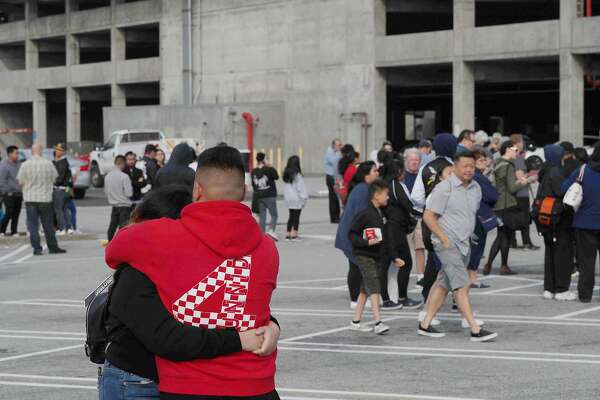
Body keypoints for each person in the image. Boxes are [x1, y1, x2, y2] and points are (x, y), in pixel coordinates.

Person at [106, 145, 279, 398]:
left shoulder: (160, 238)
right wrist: (273, 326)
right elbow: (250, 309)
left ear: (197, 190)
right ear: (243, 191)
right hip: (257, 385)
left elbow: (114, 250)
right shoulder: (268, 248)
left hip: (188, 385)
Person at [419, 152, 497, 342]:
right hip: (447, 243)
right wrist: (444, 238)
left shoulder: (476, 188)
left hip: (464, 243)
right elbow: (428, 216)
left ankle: (425, 323)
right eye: (465, 166)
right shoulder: (444, 188)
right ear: (455, 167)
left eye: (472, 166)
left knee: (443, 284)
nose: (469, 169)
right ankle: (474, 328)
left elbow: (471, 214)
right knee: (462, 285)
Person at [411, 133, 457, 305]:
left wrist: (429, 205)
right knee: (453, 259)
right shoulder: (454, 168)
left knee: (433, 258)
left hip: (429, 220)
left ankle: (426, 295)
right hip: (450, 221)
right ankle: (456, 299)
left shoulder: (426, 168)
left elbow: (416, 197)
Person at [348, 179, 392, 334]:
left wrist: (393, 256)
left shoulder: (380, 213)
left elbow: (385, 238)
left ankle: (355, 321)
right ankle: (378, 322)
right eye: (386, 194)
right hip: (364, 255)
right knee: (374, 286)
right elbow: (352, 234)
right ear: (376, 195)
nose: (388, 197)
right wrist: (366, 242)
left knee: (365, 289)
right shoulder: (365, 213)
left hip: (375, 256)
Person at [483, 141, 533, 276]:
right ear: (507, 150)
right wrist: (526, 181)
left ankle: (493, 265)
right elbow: (512, 188)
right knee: (504, 236)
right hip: (506, 205)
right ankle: (500, 266)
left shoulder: (498, 163)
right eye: (515, 150)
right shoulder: (508, 166)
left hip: (498, 205)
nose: (517, 152)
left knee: (502, 235)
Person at [335, 161, 380, 309]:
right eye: (374, 171)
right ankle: (355, 299)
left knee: (356, 265)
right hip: (351, 233)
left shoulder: (363, 188)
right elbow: (362, 217)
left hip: (349, 232)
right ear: (367, 175)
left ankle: (357, 298)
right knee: (356, 265)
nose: (377, 173)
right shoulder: (363, 191)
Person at [536, 145, 576, 301]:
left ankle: (549, 288)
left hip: (545, 218)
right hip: (559, 218)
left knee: (550, 254)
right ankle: (561, 289)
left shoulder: (545, 171)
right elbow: (561, 192)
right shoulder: (557, 171)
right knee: (563, 254)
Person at [562, 142, 600, 303]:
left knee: (586, 262)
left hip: (584, 222)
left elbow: (565, 188)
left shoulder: (583, 170)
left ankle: (585, 295)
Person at [381, 157, 421, 309]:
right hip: (395, 229)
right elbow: (409, 206)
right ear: (398, 171)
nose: (404, 172)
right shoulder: (396, 185)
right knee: (406, 263)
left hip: (386, 228)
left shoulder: (383, 183)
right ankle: (400, 298)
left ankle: (386, 298)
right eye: (402, 170)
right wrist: (423, 213)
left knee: (384, 265)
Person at [16, 143, 66, 255]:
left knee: (33, 225)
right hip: (45, 198)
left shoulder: (25, 164)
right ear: (41, 151)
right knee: (48, 224)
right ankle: (53, 247)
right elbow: (55, 179)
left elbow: (20, 181)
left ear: (32, 151)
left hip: (30, 198)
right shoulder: (48, 164)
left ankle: (37, 249)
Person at [468, 150, 498, 288]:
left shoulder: (476, 176)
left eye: (485, 160)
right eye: (480, 160)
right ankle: (471, 277)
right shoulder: (478, 177)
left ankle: (471, 276)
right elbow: (493, 195)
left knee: (475, 247)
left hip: (474, 215)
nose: (485, 162)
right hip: (478, 216)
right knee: (476, 247)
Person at [510, 134, 539, 250]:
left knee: (513, 218)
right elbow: (521, 178)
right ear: (517, 143)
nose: (523, 144)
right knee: (525, 219)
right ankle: (527, 243)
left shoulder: (510, 157)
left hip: (512, 193)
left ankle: (512, 242)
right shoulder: (519, 159)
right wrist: (531, 176)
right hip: (521, 193)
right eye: (522, 142)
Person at [403, 148, 426, 285]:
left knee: (420, 247)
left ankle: (420, 275)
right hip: (404, 217)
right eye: (411, 160)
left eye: (416, 160)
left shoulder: (422, 176)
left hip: (418, 217)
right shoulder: (402, 176)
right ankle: (402, 273)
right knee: (402, 248)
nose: (414, 163)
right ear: (406, 161)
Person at [251, 152, 279, 241]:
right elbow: (276, 176)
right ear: (264, 159)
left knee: (262, 216)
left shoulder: (254, 171)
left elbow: (253, 184)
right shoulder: (268, 169)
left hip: (259, 196)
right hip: (270, 195)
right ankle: (271, 230)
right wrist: (270, 166)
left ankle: (262, 234)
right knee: (274, 215)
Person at [105, 155, 133, 241]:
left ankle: (110, 243)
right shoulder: (124, 176)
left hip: (114, 205)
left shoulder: (107, 176)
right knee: (123, 228)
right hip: (124, 206)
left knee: (112, 227)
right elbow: (129, 193)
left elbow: (106, 192)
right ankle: (122, 244)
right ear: (123, 164)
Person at [283, 155, 308, 241]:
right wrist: (304, 198)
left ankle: (288, 233)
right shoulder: (298, 175)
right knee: (296, 217)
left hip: (288, 198)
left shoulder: (286, 174)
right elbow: (301, 188)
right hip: (297, 198)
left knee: (290, 216)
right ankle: (294, 234)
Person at [0, 145, 22, 236]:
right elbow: (2, 180)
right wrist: (6, 191)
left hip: (18, 192)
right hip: (8, 193)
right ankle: (2, 230)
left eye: (18, 153)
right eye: (16, 153)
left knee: (16, 213)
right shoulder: (4, 165)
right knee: (9, 212)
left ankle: (14, 231)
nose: (17, 155)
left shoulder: (19, 164)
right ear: (9, 154)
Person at [52, 143, 73, 236]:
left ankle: (62, 228)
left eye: (59, 150)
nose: (57, 151)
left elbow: (60, 178)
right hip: (66, 189)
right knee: (65, 209)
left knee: (59, 210)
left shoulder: (62, 162)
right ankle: (69, 228)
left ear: (63, 152)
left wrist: (53, 183)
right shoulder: (63, 162)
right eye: (56, 149)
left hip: (59, 189)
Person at [324, 138, 342, 223]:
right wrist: (339, 154)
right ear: (333, 146)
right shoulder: (329, 152)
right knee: (333, 197)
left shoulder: (338, 153)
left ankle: (337, 216)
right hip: (330, 177)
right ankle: (333, 217)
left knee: (338, 197)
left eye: (340, 145)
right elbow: (335, 162)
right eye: (338, 145)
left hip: (337, 177)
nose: (340, 147)